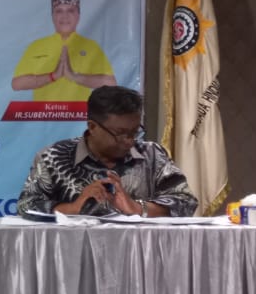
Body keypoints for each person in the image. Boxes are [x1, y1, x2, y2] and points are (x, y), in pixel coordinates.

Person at [17, 85, 197, 217]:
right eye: (120, 133)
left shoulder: (152, 155)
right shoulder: (53, 157)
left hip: (139, 254)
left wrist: (136, 208)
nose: (129, 141)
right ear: (92, 127)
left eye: (134, 132)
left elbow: (186, 201)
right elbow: (26, 206)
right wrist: (73, 208)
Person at [10, 0, 118, 102]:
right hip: (44, 112)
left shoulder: (91, 46)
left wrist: (74, 77)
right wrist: (52, 76)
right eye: (59, 11)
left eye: (70, 10)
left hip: (79, 112)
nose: (65, 16)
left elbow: (111, 83)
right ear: (52, 16)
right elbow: (16, 84)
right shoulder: (37, 46)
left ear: (78, 15)